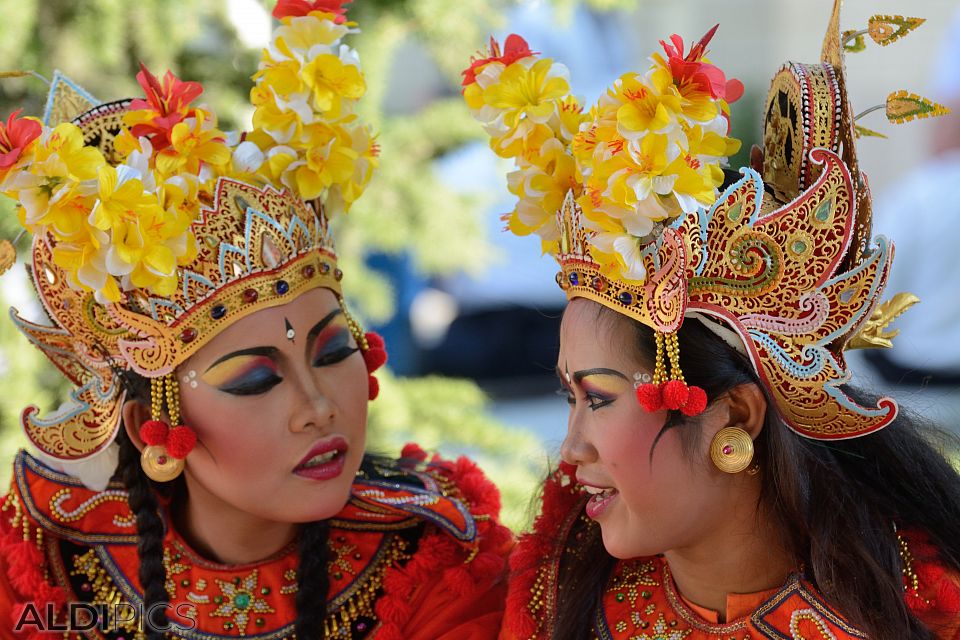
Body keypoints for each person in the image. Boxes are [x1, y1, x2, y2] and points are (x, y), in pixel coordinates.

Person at [0, 1, 510, 638]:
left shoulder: (435, 563)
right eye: (252, 381)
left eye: (330, 353)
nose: (317, 405)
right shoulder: (48, 569)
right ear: (148, 422)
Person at [462, 2, 960, 639]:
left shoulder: (916, 610)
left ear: (735, 418)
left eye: (599, 398)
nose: (571, 448)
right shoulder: (559, 599)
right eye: (570, 395)